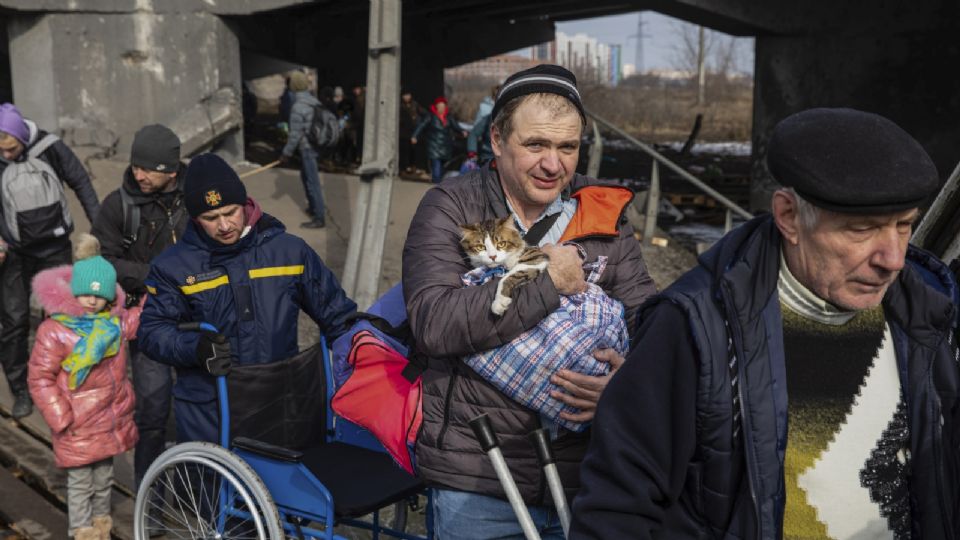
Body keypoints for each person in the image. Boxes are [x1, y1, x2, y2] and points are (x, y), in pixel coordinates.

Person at [571, 108, 960, 539]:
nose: (894, 258)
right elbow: (617, 508)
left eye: (905, 226)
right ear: (789, 216)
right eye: (861, 230)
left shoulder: (928, 315)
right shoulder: (694, 325)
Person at [402, 64, 657, 539]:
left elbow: (649, 317)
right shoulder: (451, 207)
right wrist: (547, 281)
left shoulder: (601, 212)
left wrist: (628, 382)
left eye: (568, 148)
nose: (553, 165)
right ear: (497, 140)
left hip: (587, 478)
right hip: (479, 476)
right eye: (535, 144)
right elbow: (434, 322)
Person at [137, 153, 357, 444]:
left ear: (245, 203)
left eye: (230, 212)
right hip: (211, 411)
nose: (224, 225)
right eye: (210, 218)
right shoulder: (173, 267)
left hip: (281, 402)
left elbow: (338, 316)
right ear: (195, 218)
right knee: (215, 489)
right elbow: (152, 332)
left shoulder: (290, 252)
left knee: (282, 485)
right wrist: (195, 348)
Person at [90, 124, 187, 492]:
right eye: (135, 166)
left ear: (172, 172)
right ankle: (152, 498)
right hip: (147, 321)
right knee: (153, 409)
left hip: (193, 319)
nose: (139, 175)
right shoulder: (118, 205)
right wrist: (151, 276)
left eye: (149, 169)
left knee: (192, 408)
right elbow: (104, 260)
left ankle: (191, 488)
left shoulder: (191, 199)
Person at [28, 234, 140, 540]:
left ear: (109, 296)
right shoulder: (56, 330)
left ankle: (101, 520)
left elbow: (134, 321)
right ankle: (81, 528)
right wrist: (61, 416)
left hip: (107, 419)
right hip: (76, 422)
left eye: (99, 294)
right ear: (74, 291)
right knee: (79, 482)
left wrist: (151, 296)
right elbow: (40, 377)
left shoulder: (111, 324)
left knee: (104, 477)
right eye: (86, 293)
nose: (92, 300)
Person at [0, 103, 101, 419]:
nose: (6, 154)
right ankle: (21, 390)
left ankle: (59, 380)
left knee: (59, 319)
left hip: (54, 247)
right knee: (14, 322)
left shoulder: (50, 147)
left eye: (11, 148)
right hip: (14, 251)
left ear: (21, 138)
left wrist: (100, 230)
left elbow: (81, 182)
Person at [279, 71, 326, 229]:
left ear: (294, 86)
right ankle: (313, 208)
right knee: (306, 177)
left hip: (307, 148)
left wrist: (286, 153)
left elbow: (295, 134)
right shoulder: (313, 100)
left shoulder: (298, 106)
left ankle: (319, 217)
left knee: (312, 182)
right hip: (315, 146)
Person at [411, 96, 464, 183]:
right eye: (439, 106)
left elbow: (456, 127)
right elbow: (421, 126)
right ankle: (436, 184)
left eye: (443, 106)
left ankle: (437, 180)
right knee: (436, 166)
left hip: (445, 146)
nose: (441, 108)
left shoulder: (449, 118)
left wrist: (463, 132)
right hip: (434, 145)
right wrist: (414, 136)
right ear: (436, 107)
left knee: (444, 167)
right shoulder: (430, 117)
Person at [399, 90, 424, 174]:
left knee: (415, 150)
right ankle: (406, 166)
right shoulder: (400, 106)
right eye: (405, 95)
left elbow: (424, 113)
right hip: (403, 132)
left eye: (408, 95)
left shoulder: (415, 104)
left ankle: (415, 166)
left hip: (414, 132)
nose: (406, 97)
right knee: (405, 150)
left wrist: (418, 121)